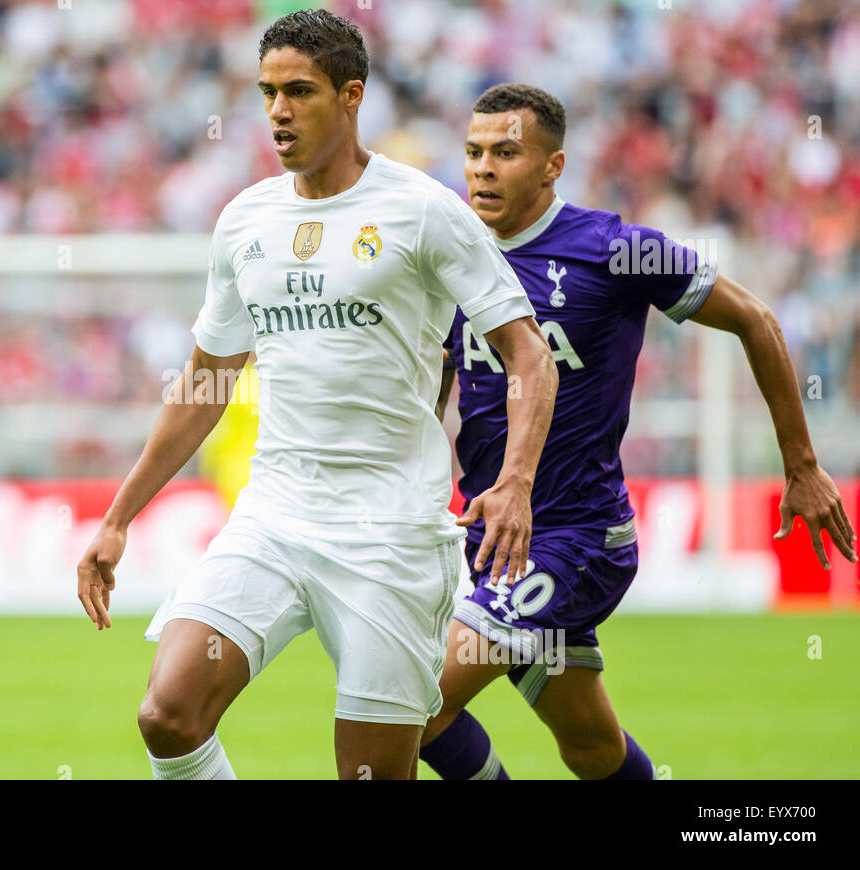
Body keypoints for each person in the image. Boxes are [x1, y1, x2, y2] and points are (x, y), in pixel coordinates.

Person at [76, 11, 557, 780]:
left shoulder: (424, 210)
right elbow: (206, 380)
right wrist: (117, 518)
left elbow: (530, 353)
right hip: (274, 515)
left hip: (389, 535)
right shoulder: (246, 221)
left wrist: (516, 482)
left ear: (351, 95)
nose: (277, 111)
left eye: (298, 91)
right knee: (167, 714)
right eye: (267, 92)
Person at [420, 83, 858, 780]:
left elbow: (757, 320)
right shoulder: (452, 255)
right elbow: (436, 383)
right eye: (473, 152)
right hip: (488, 540)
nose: (482, 169)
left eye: (505, 152)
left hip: (578, 540)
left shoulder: (616, 251)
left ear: (552, 166)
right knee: (593, 749)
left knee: (413, 704)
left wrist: (801, 466)